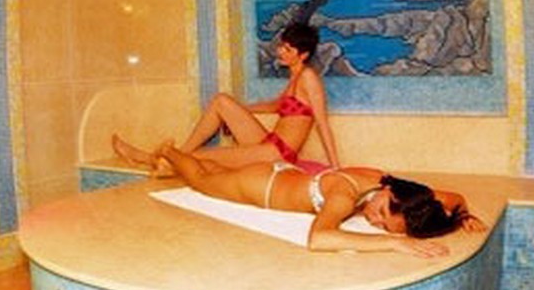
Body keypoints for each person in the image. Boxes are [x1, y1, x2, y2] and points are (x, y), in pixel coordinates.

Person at [154, 142, 484, 257]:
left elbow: (453, 198)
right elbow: (319, 239)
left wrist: (462, 216)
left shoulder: (394, 186)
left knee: (215, 172)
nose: (374, 221)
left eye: (384, 227)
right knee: (202, 181)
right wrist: (393, 243)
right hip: (262, 187)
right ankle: (169, 151)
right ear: (391, 195)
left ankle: (166, 163)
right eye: (382, 213)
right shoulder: (344, 196)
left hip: (284, 174)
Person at [113, 21, 341, 174]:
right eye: (282, 46)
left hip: (278, 154)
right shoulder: (295, 77)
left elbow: (322, 124)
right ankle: (175, 156)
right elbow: (275, 105)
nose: (280, 51)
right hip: (270, 143)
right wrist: (238, 111)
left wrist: (336, 168)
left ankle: (147, 158)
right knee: (222, 101)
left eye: (288, 49)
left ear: (303, 54)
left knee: (202, 157)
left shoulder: (308, 77)